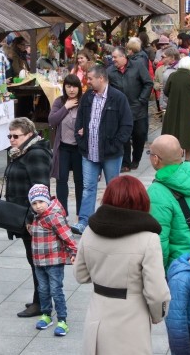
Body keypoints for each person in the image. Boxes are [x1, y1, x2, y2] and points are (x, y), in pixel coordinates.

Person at [73, 175, 171, 355]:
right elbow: (156, 291)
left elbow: (80, 275)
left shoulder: (90, 230)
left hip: (99, 314)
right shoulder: (148, 238)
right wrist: (158, 315)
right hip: (130, 317)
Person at [71, 65, 133, 235]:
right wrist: (80, 139)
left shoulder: (118, 97)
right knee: (88, 187)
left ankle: (112, 220)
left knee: (113, 188)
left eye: (90, 78)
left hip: (111, 153)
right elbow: (80, 122)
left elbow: (127, 125)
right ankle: (84, 221)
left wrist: (115, 144)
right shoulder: (87, 98)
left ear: (101, 78)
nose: (87, 81)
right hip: (89, 152)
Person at [2, 117, 52, 317]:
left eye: (16, 136)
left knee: (37, 261)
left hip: (31, 218)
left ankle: (41, 303)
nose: (12, 139)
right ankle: (39, 299)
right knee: (33, 260)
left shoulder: (35, 154)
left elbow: (40, 190)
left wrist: (32, 219)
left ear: (29, 135)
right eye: (10, 136)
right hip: (21, 215)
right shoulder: (21, 153)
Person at [147, 134, 190, 271]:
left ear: (155, 159)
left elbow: (159, 243)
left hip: (179, 267)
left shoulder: (157, 192)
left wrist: (159, 275)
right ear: (181, 153)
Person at [27, 184, 77, 336]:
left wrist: (74, 251)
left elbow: (67, 235)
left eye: (41, 202)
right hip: (39, 262)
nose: (38, 206)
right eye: (34, 203)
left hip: (54, 262)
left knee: (56, 290)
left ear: (47, 201)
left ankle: (62, 320)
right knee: (42, 289)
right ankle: (46, 315)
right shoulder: (36, 218)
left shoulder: (54, 216)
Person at [107, 46, 152, 172]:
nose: (113, 59)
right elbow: (107, 89)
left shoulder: (138, 66)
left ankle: (136, 159)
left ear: (123, 57)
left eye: (115, 57)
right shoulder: (110, 71)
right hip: (120, 110)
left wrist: (142, 100)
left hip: (138, 108)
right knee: (123, 137)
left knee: (140, 134)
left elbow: (148, 83)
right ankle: (125, 163)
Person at [48, 74, 83, 216]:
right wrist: (66, 107)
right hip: (63, 147)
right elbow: (52, 120)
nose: (71, 89)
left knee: (80, 182)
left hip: (79, 149)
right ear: (64, 88)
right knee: (61, 180)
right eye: (68, 86)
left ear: (79, 88)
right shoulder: (59, 102)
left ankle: (82, 214)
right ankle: (62, 213)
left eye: (74, 86)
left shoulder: (84, 102)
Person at [162, 56, 190, 161]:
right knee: (187, 132)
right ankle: (188, 157)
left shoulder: (172, 75)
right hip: (187, 109)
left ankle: (173, 156)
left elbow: (166, 91)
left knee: (173, 130)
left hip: (173, 108)